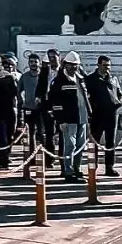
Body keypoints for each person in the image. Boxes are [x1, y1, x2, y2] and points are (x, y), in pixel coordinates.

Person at [47, 51, 89, 181]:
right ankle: (68, 171)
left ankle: (77, 168)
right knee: (69, 145)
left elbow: (85, 98)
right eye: (71, 65)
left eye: (76, 65)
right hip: (68, 119)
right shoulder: (59, 81)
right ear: (65, 65)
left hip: (82, 117)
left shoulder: (80, 79)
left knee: (80, 145)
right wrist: (60, 120)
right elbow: (55, 102)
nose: (74, 68)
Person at [84, 54, 122, 177]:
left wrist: (119, 102)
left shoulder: (113, 79)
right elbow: (87, 98)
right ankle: (92, 167)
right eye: (105, 65)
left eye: (109, 66)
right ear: (98, 65)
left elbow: (120, 93)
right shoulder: (90, 79)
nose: (107, 68)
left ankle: (110, 167)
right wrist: (92, 109)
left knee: (110, 142)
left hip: (112, 114)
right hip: (97, 114)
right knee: (95, 141)